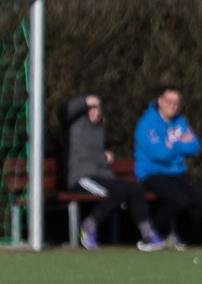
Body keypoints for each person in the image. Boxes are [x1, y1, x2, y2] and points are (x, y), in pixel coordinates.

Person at [63, 94, 166, 251]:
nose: (95, 112)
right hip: (82, 177)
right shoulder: (77, 124)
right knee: (119, 192)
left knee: (134, 188)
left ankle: (148, 233)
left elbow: (95, 150)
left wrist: (106, 153)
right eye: (91, 109)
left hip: (102, 176)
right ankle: (88, 226)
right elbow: (65, 111)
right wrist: (85, 101)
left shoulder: (100, 128)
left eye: (97, 109)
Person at [134, 86, 202, 250]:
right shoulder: (147, 124)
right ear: (160, 101)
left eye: (176, 103)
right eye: (169, 102)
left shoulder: (180, 121)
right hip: (153, 174)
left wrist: (173, 144)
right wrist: (181, 144)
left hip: (178, 173)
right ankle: (152, 235)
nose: (173, 106)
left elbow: (195, 146)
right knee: (179, 200)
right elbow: (160, 154)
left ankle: (181, 236)